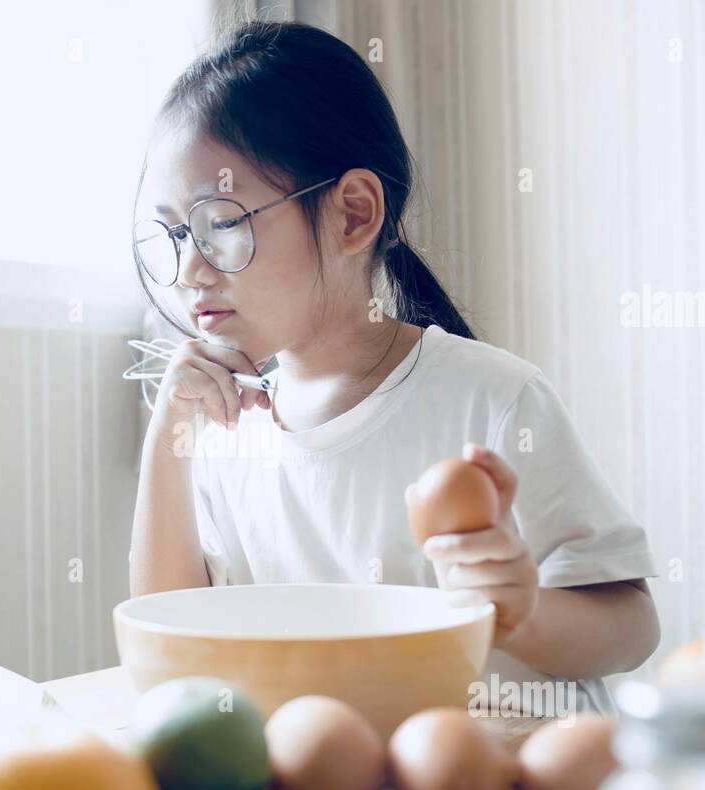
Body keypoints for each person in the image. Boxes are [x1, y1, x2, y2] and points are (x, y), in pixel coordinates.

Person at [128, 19, 660, 715]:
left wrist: (521, 609)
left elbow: (631, 627)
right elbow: (172, 656)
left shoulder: (493, 401)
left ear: (353, 213)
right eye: (172, 233)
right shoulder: (226, 432)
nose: (190, 270)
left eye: (221, 222)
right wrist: (168, 440)